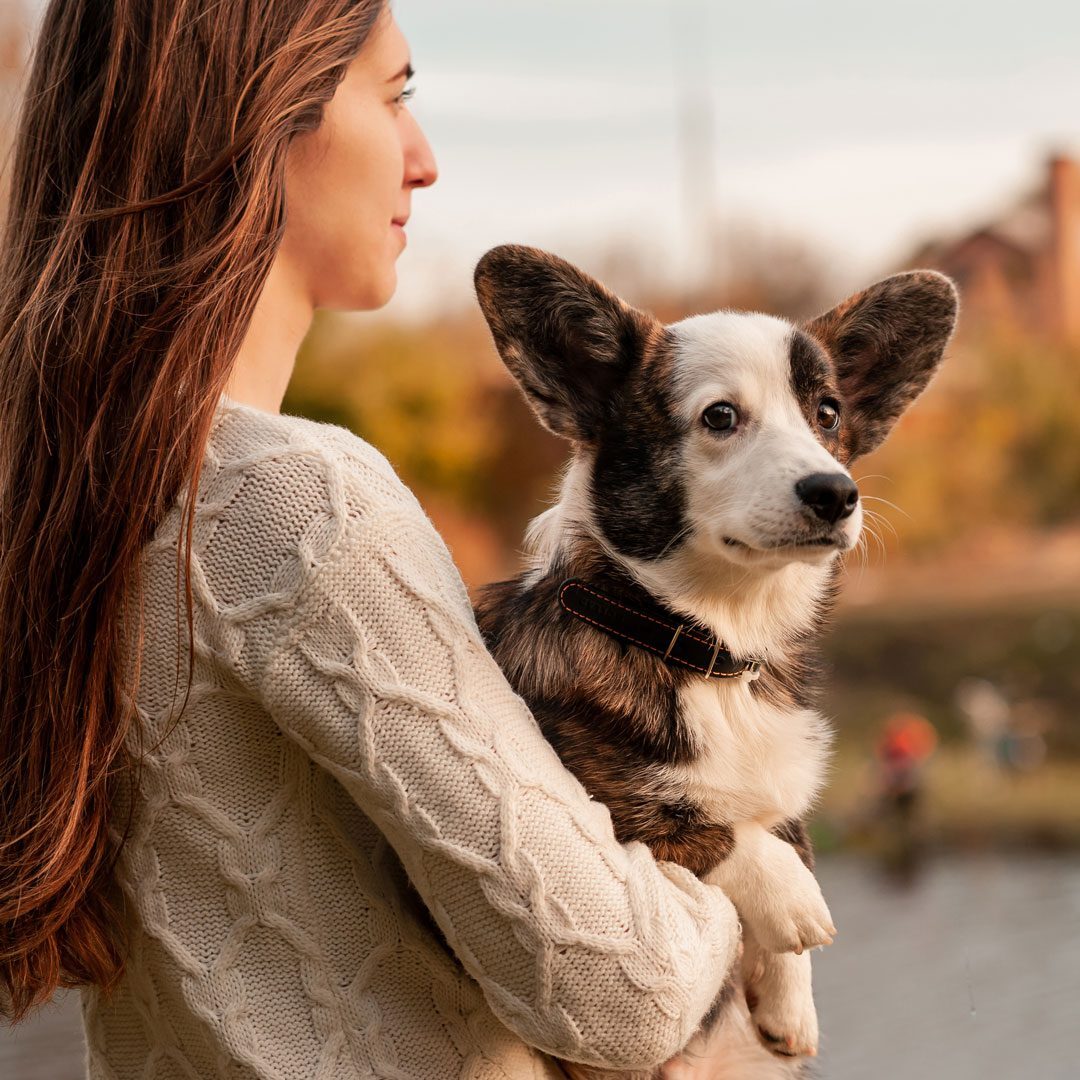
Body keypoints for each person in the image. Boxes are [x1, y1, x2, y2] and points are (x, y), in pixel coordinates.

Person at [0, 2, 743, 1077]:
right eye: (395, 96)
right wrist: (742, 860)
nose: (425, 161)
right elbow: (623, 989)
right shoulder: (300, 505)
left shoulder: (67, 498)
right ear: (265, 114)